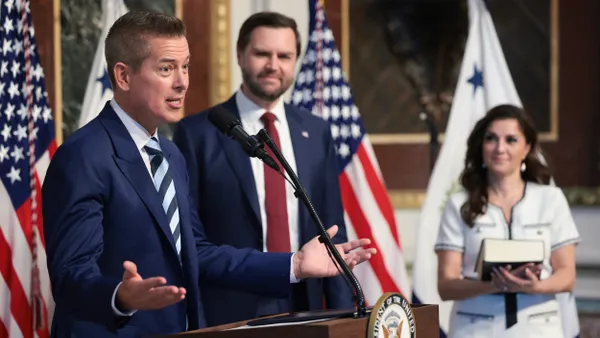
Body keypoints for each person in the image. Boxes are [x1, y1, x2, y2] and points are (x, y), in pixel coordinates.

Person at [42, 10, 375, 338]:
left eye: (184, 66)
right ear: (124, 76)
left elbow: (198, 253)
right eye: (166, 68)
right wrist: (120, 296)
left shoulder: (169, 155)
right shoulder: (83, 156)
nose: (182, 81)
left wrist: (294, 265)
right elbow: (71, 275)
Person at [172, 11, 355, 326]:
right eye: (262, 54)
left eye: (285, 56)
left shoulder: (315, 131)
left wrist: (344, 318)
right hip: (230, 309)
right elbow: (190, 243)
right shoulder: (198, 133)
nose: (273, 65)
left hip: (305, 305)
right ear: (240, 55)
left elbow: (331, 226)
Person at [434, 104, 581, 338]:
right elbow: (446, 286)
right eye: (491, 139)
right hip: (475, 329)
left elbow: (567, 276)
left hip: (539, 329)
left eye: (511, 140)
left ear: (527, 148)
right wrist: (495, 285)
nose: (500, 148)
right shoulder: (458, 204)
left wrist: (533, 286)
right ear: (481, 146)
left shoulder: (550, 199)